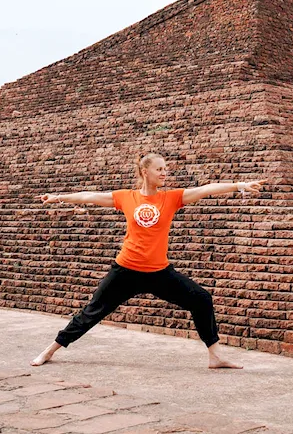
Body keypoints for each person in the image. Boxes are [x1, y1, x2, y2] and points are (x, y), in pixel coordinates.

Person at [31, 152, 262, 369]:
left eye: (165, 169)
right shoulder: (126, 197)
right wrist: (58, 197)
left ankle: (216, 356)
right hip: (125, 270)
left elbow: (205, 189)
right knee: (92, 312)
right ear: (145, 172)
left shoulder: (171, 198)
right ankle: (51, 350)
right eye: (159, 169)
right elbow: (90, 196)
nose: (164, 173)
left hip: (159, 273)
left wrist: (239, 185)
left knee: (201, 299)